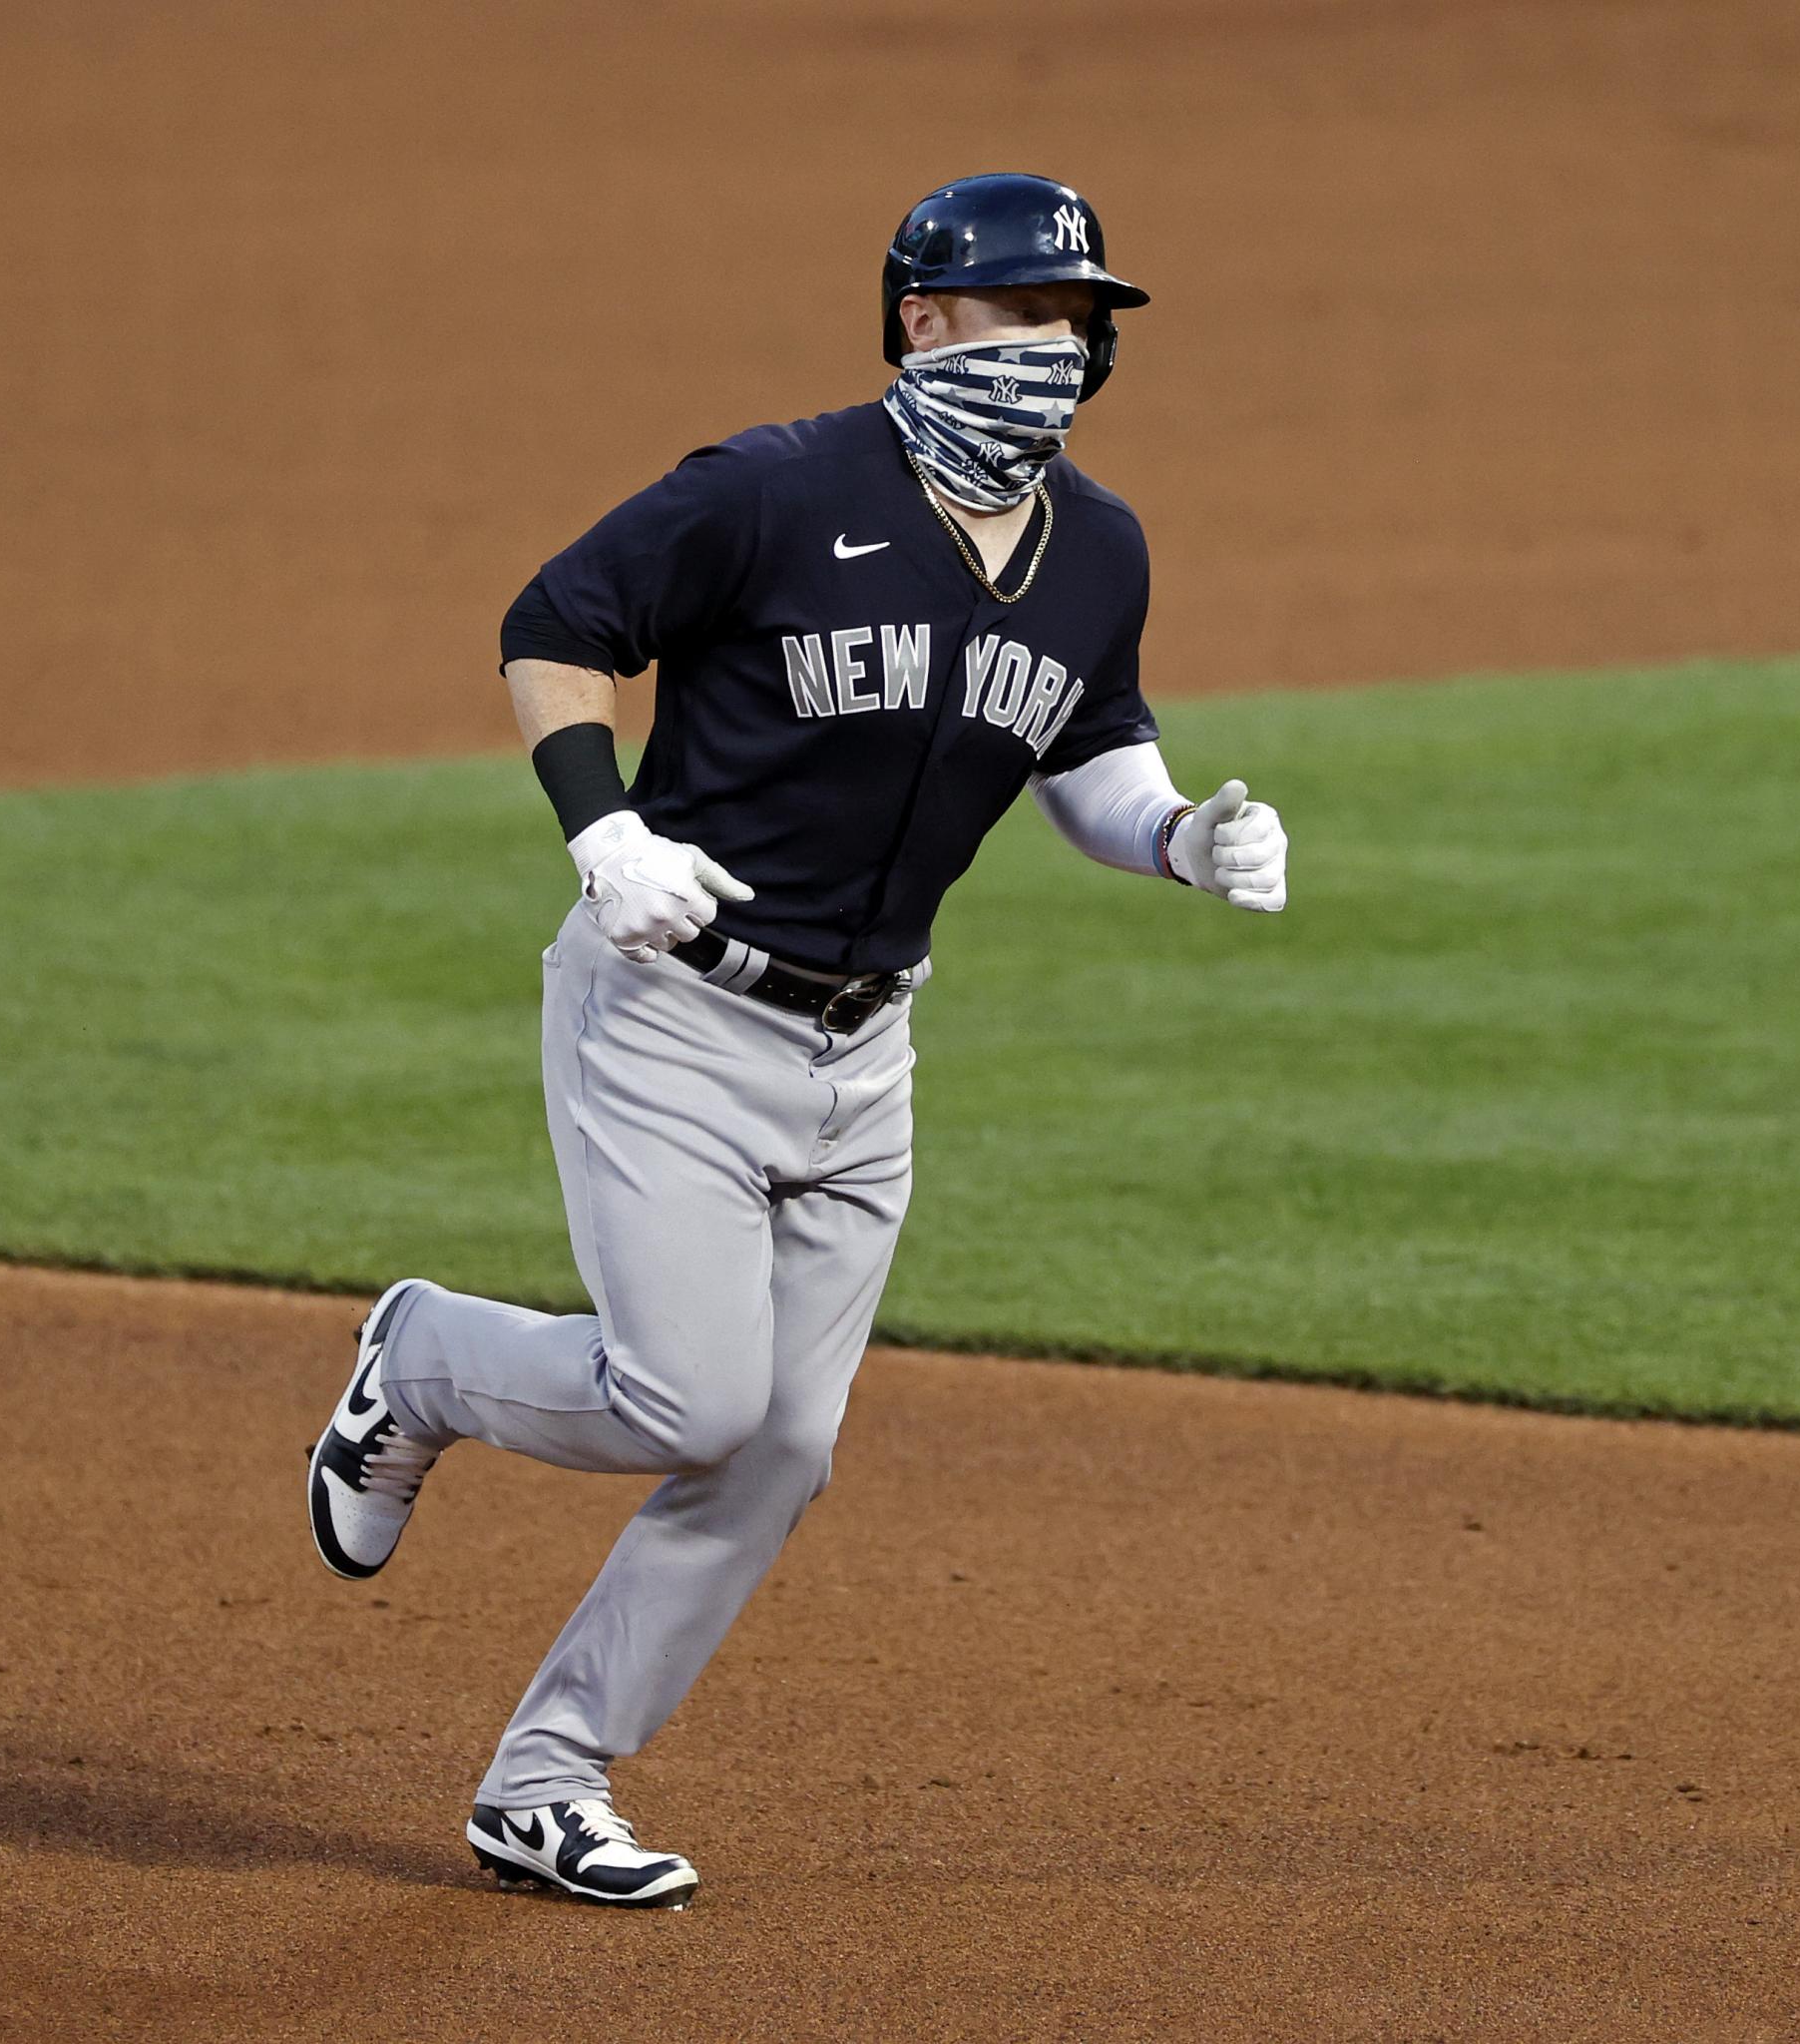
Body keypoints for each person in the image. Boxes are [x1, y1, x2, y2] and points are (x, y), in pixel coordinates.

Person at [303, 173, 1288, 1908]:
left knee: (781, 1448)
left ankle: (546, 1781)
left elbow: (1092, 742)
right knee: (689, 1397)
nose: (1059, 352)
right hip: (677, 1013)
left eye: (1082, 323)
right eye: (1026, 315)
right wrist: (599, 830)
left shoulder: (1101, 547)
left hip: (868, 1059)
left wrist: (1173, 833)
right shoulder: (770, 492)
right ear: (924, 321)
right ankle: (428, 1363)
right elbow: (556, 628)